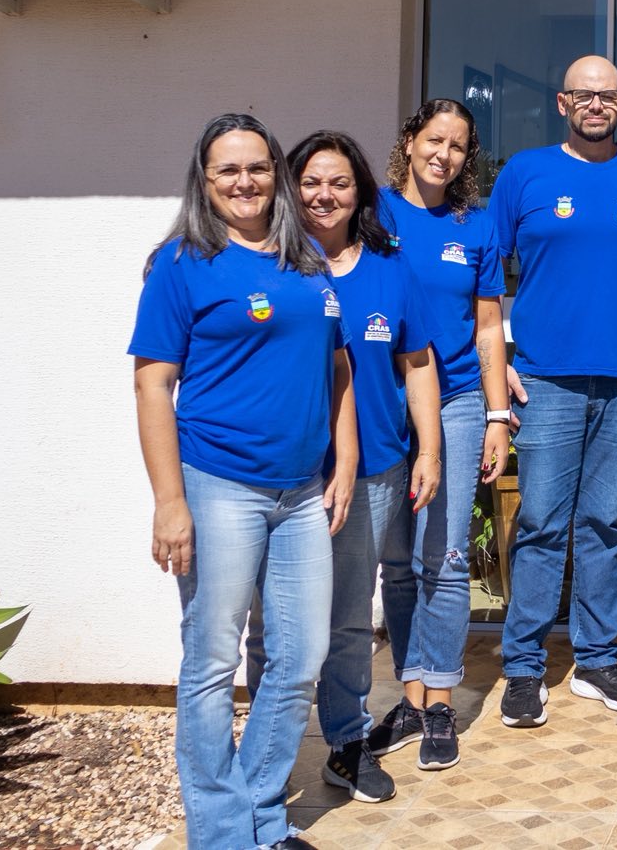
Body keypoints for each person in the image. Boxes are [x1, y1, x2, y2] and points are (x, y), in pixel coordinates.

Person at [129, 112, 357, 850]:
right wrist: (169, 502)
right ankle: (223, 834)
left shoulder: (307, 262)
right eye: (227, 169)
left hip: (301, 494)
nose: (245, 181)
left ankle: (260, 811)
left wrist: (344, 459)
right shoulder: (182, 263)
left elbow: (338, 366)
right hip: (219, 484)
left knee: (300, 659)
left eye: (258, 167)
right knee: (213, 662)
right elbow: (153, 384)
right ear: (204, 179)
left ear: (276, 173)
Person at [244, 131, 445, 803]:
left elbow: (418, 363)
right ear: (289, 187)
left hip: (374, 469)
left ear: (360, 193)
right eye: (310, 181)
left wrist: (429, 448)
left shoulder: (391, 269)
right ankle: (263, 764)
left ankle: (346, 744)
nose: (323, 195)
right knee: (274, 627)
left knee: (350, 618)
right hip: (286, 473)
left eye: (339, 183)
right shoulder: (270, 263)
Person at [491, 56, 617, 726]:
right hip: (545, 378)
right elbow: (485, 277)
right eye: (583, 95)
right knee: (541, 524)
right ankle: (524, 668)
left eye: (606, 95)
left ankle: (597, 660)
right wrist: (497, 359)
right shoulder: (525, 173)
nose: (594, 104)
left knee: (603, 525)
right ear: (562, 102)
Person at [367, 99, 514, 767]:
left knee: (446, 557)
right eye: (434, 140)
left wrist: (496, 415)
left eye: (457, 146)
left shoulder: (474, 226)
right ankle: (410, 693)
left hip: (454, 399)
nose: (443, 155)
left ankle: (440, 703)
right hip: (380, 401)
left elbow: (487, 328)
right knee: (396, 563)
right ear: (410, 140)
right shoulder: (372, 213)